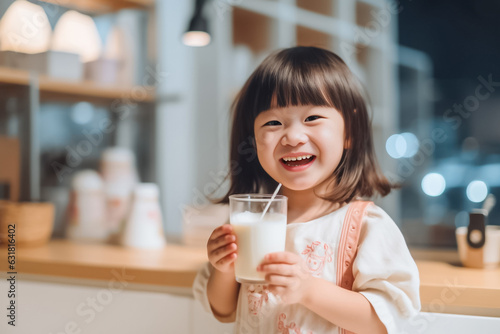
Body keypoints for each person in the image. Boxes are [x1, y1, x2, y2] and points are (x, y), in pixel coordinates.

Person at [192, 46, 420, 334]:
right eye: (273, 122)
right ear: (253, 140)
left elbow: (386, 320)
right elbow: (223, 310)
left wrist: (308, 290)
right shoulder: (250, 220)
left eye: (312, 118)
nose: (293, 137)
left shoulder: (365, 226)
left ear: (348, 130)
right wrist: (223, 269)